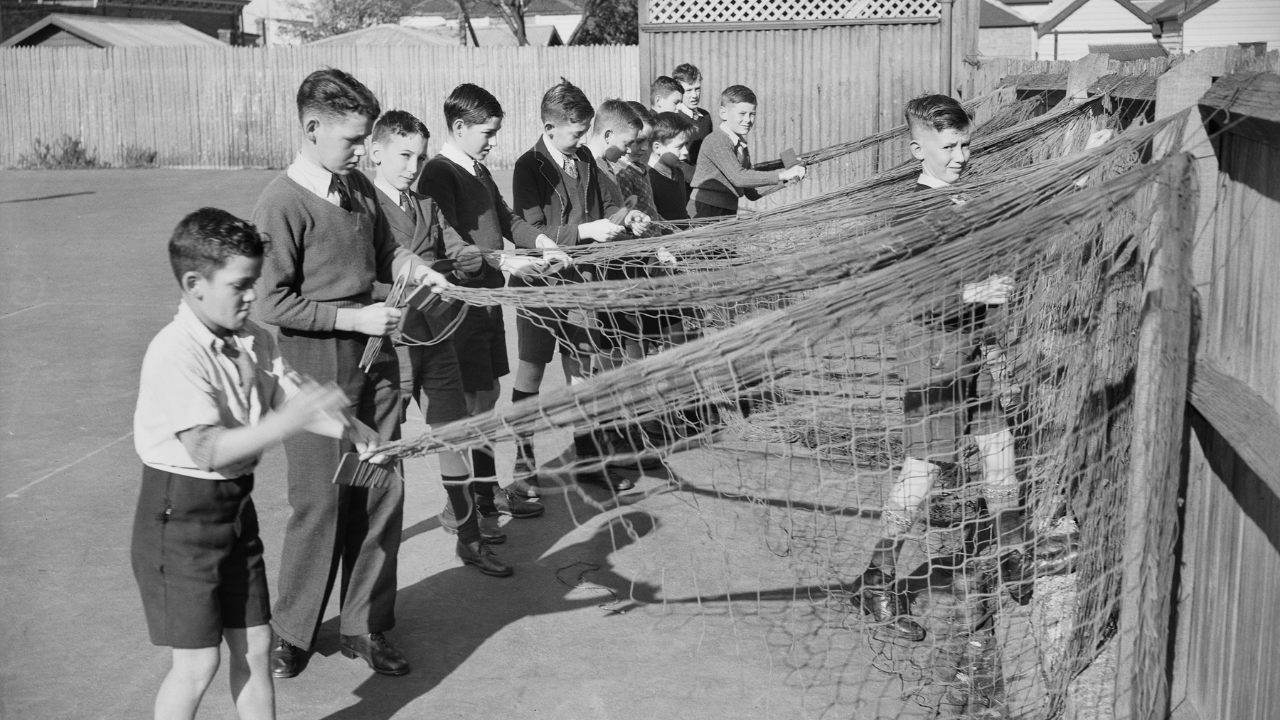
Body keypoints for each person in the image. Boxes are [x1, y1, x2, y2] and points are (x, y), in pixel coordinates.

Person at [132, 208, 378, 720]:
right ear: (195, 284)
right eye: (240, 286)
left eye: (255, 283)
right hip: (179, 518)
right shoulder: (175, 351)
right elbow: (208, 449)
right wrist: (289, 420)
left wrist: (355, 433)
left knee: (256, 647)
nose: (252, 297)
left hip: (233, 512)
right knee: (197, 666)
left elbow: (293, 393)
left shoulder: (252, 338)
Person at [251, 68, 450, 679]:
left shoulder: (357, 185)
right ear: (312, 129)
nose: (362, 151)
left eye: (365, 140)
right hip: (316, 365)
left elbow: (388, 250)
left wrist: (419, 270)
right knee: (320, 501)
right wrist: (354, 317)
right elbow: (268, 303)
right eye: (351, 140)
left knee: (381, 490)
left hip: (379, 360)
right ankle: (292, 629)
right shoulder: (281, 203)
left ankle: (366, 625)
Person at [856, 94, 1027, 642]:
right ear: (917, 150)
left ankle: (1010, 554)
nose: (961, 155)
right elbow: (908, 288)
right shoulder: (911, 210)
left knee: (1001, 453)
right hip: (931, 356)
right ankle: (876, 577)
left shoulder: (964, 197)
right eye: (948, 147)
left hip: (974, 350)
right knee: (923, 470)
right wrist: (971, 290)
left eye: (966, 143)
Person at [370, 108, 534, 577]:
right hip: (391, 347)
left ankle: (469, 538)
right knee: (380, 452)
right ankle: (364, 550)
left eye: (418, 158)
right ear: (376, 152)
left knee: (453, 436)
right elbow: (370, 274)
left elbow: (455, 242)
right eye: (403, 156)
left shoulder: (425, 204)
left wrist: (478, 260)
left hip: (437, 336)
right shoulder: (365, 208)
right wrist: (422, 278)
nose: (411, 167)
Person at [420, 83, 562, 503]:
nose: (493, 141)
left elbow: (506, 219)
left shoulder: (478, 170)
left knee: (488, 395)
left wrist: (541, 244)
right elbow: (448, 241)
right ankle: (463, 502)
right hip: (460, 303)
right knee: (467, 402)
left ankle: (485, 490)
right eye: (487, 133)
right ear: (460, 127)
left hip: (486, 300)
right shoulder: (440, 172)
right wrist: (502, 261)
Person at [511, 78, 649, 493]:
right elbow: (528, 230)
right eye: (575, 133)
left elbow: (610, 205)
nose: (581, 140)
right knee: (531, 373)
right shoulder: (527, 166)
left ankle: (589, 460)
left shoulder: (586, 158)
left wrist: (630, 219)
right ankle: (522, 467)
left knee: (583, 371)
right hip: (541, 288)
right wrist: (586, 230)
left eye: (585, 131)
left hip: (584, 286)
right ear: (549, 127)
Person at [687, 85, 806, 220]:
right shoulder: (717, 140)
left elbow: (751, 192)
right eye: (742, 114)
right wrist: (782, 174)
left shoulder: (741, 145)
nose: (748, 120)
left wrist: (787, 179)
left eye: (752, 114)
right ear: (723, 113)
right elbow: (739, 178)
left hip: (727, 212)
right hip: (705, 211)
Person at [647, 111, 697, 223]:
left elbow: (681, 212)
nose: (685, 151)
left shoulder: (678, 172)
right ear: (657, 147)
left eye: (686, 144)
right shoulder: (648, 179)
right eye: (679, 147)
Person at [671, 63, 714, 165]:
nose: (694, 95)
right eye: (689, 90)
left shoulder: (706, 117)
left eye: (697, 89)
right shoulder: (674, 118)